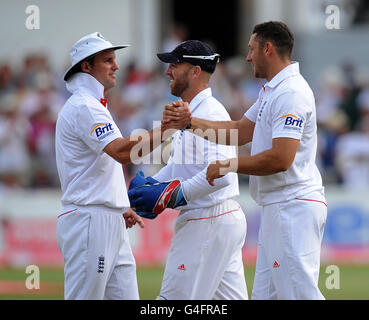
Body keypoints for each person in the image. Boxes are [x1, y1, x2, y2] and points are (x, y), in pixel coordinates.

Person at [164, 22, 327, 300]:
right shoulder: (272, 91)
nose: (248, 57)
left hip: (292, 206)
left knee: (299, 296)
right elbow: (239, 131)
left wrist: (229, 165)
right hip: (278, 207)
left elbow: (281, 158)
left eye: (251, 50)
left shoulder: (291, 93)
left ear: (268, 49)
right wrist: (190, 123)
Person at [55, 32, 175, 300]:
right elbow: (121, 152)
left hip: (107, 219)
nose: (116, 66)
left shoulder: (92, 105)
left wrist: (120, 205)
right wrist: (166, 129)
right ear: (86, 66)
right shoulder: (85, 106)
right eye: (108, 60)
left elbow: (102, 165)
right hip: (90, 220)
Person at [128, 40, 248, 300]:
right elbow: (178, 166)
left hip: (207, 219)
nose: (167, 71)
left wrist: (170, 195)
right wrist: (151, 184)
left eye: (174, 65)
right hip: (216, 219)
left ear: (195, 71)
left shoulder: (211, 112)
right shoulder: (191, 113)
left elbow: (222, 175)